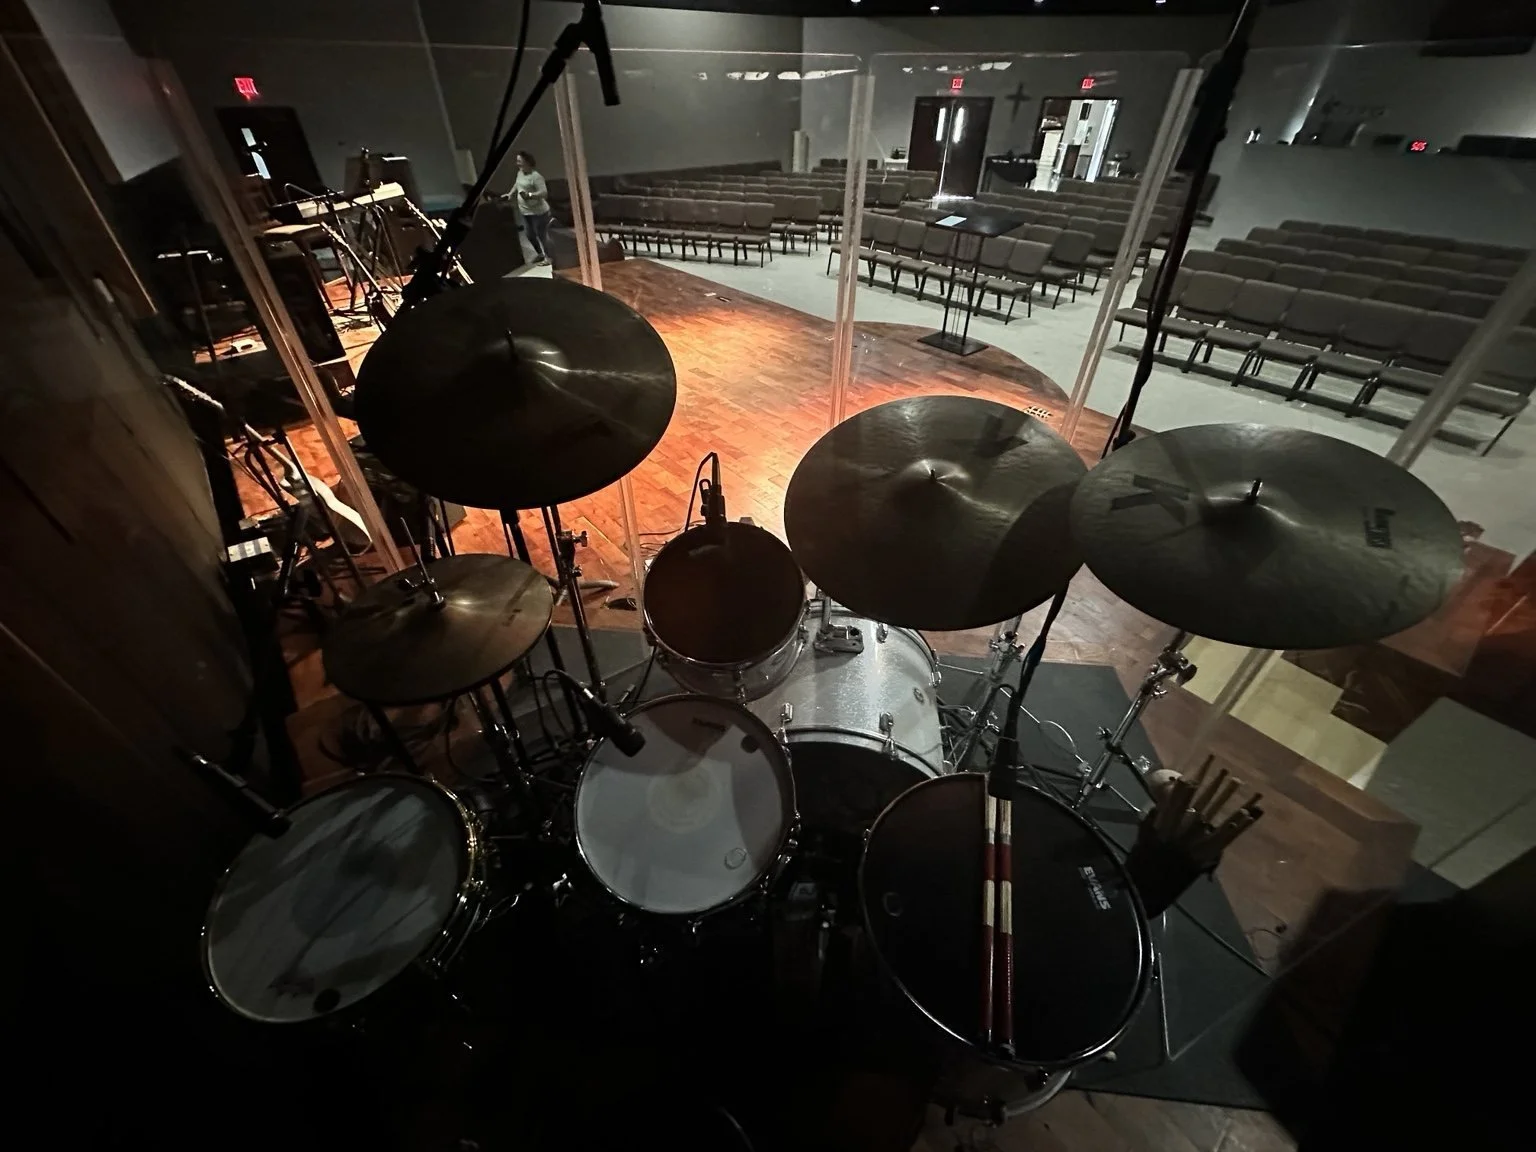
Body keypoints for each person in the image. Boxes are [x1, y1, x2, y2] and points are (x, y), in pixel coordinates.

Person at [513, 150, 551, 265]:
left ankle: (549, 258)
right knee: (529, 235)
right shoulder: (520, 173)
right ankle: (540, 254)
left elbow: (544, 193)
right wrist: (510, 193)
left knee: (542, 235)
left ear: (527, 162)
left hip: (539, 212)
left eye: (519, 161)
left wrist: (530, 195)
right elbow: (517, 184)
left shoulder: (536, 177)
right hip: (525, 211)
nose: (517, 163)